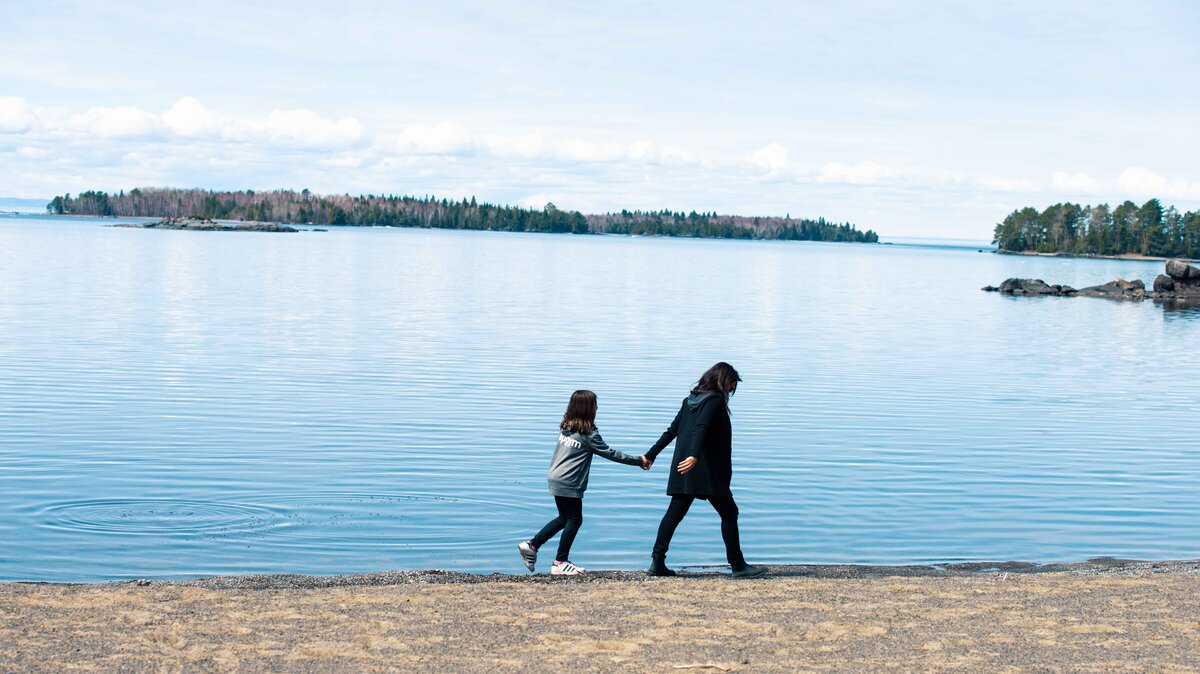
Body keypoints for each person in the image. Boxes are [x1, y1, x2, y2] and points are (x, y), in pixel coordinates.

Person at [643, 362, 766, 578]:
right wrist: (694, 455)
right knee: (729, 512)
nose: (730, 390)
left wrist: (651, 454)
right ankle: (737, 565)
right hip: (706, 469)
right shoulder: (714, 401)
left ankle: (657, 562)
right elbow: (701, 427)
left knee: (674, 514)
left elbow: (672, 431)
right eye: (730, 384)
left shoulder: (690, 400)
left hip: (685, 467)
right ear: (722, 380)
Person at [518, 390, 651, 575]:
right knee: (574, 519)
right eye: (595, 405)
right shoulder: (588, 434)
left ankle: (532, 546)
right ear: (589, 408)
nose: (597, 408)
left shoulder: (567, 426)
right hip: (569, 481)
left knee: (564, 518)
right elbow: (611, 453)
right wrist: (639, 460)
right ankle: (559, 562)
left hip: (556, 477)